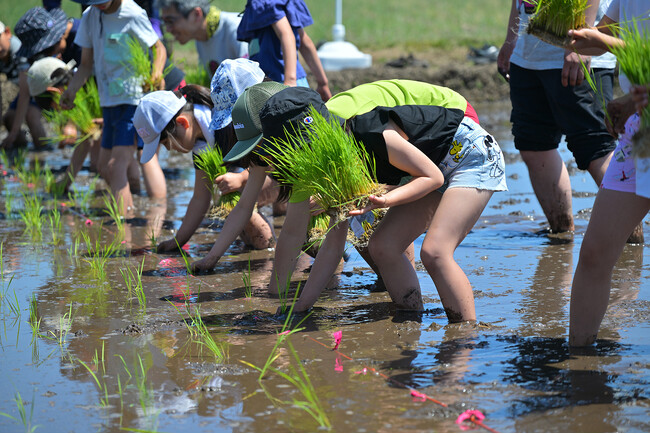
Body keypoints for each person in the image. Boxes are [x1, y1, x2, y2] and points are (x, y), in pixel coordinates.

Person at [192, 80, 506, 321]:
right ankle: (411, 318)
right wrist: (300, 308)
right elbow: (331, 248)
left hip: (468, 153)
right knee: (384, 246)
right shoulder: (333, 168)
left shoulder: (369, 131)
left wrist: (386, 201)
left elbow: (432, 178)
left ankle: (464, 338)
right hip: (431, 161)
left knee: (435, 252)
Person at [497, 0, 645, 241]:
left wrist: (580, 48)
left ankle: (631, 240)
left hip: (579, 54)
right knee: (533, 145)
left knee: (596, 147)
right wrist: (511, 39)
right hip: (528, 53)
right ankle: (561, 233)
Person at [565, 0, 650, 346]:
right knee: (596, 253)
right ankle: (579, 361)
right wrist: (563, 29)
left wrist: (606, 43)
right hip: (642, 131)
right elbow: (594, 39)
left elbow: (613, 43)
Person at [133, 81, 276, 252]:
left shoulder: (226, 123)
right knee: (233, 205)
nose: (169, 149)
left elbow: (271, 159)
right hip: (260, 177)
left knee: (238, 199)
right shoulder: (201, 144)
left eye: (166, 143)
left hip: (284, 170)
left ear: (183, 123)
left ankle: (270, 252)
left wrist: (241, 178)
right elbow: (200, 198)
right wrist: (178, 240)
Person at [61, 0, 168, 215]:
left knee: (115, 165)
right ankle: (134, 199)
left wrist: (156, 72)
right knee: (103, 166)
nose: (98, 5)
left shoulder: (132, 13)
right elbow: (86, 65)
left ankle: (126, 223)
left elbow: (159, 49)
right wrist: (71, 90)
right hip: (108, 101)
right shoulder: (91, 15)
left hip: (132, 99)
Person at [2, 8, 76, 151]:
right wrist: (13, 134)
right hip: (42, 88)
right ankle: (45, 151)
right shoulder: (33, 58)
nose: (54, 55)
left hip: (60, 88)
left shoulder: (78, 43)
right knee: (16, 115)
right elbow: (24, 94)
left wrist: (71, 122)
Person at [26, 56, 101, 192]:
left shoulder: (95, 83)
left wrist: (66, 181)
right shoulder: (82, 88)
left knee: (111, 164)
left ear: (54, 91)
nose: (57, 110)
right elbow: (85, 140)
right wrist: (66, 182)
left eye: (53, 106)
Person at [237, 0, 332, 102]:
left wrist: (290, 81)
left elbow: (286, 34)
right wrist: (322, 82)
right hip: (291, 83)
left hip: (278, 86)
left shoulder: (265, 2)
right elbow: (304, 41)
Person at [159, 0, 248, 76]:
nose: (167, 29)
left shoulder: (237, 30)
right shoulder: (200, 37)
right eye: (165, 22)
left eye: (170, 21)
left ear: (197, 14)